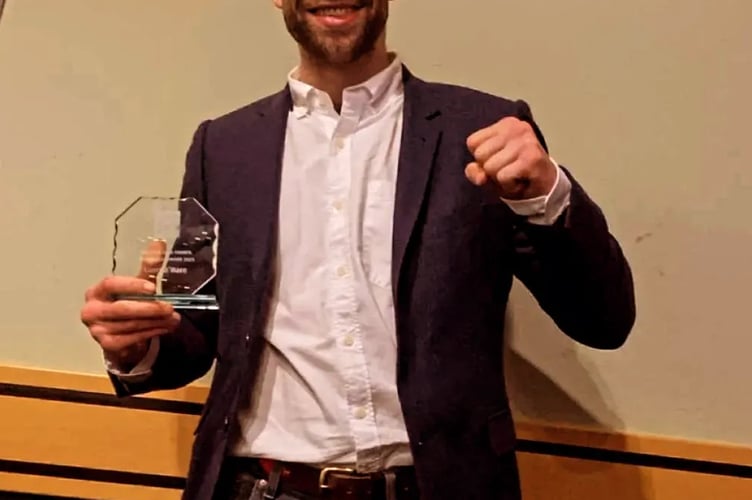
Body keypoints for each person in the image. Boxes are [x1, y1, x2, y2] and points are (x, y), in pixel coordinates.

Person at [80, 1, 636, 499]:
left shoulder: (486, 129)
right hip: (258, 488)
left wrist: (548, 196)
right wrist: (137, 344)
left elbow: (604, 320)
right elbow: (200, 329)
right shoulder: (221, 148)